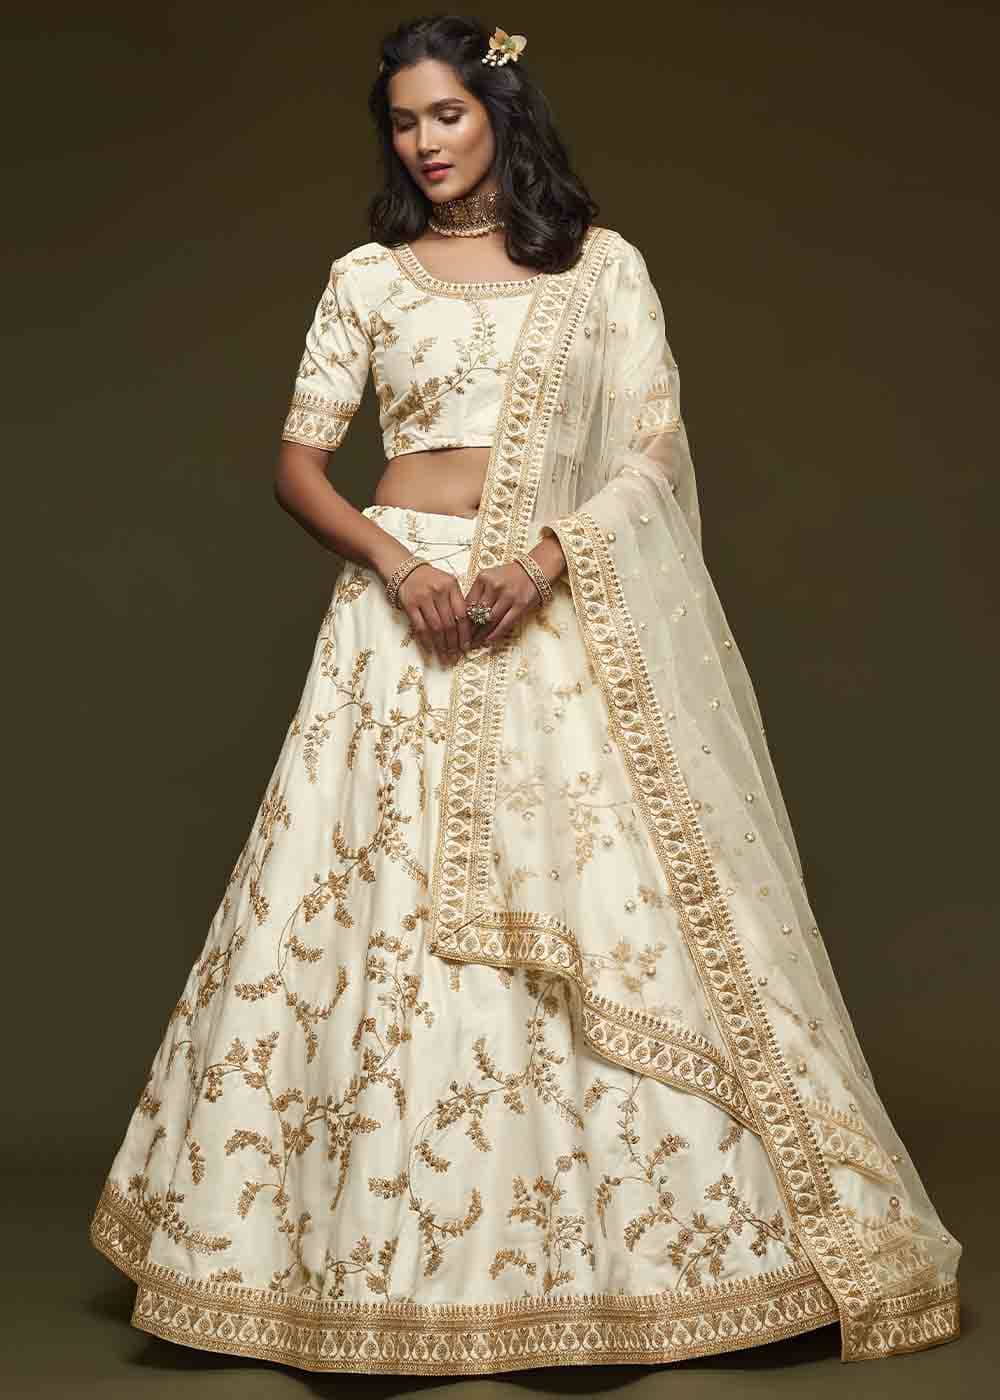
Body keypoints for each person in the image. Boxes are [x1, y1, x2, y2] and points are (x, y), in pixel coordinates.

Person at [89, 14, 961, 1376]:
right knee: (367, 913)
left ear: (500, 111)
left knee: (592, 904)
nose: (424, 143)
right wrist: (396, 567)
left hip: (543, 607)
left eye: (446, 114)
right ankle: (362, 1266)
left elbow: (653, 451)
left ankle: (605, 1273)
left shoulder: (600, 270)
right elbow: (301, 463)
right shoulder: (366, 278)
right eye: (402, 122)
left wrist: (548, 558)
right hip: (399, 614)